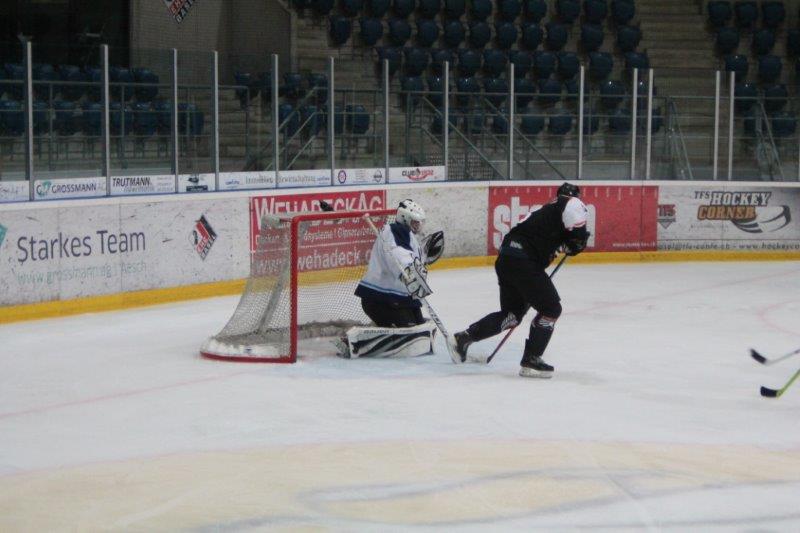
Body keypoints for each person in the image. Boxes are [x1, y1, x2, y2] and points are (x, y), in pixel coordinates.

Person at [450, 182, 589, 378]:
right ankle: (531, 360)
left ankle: (464, 338)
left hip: (507, 259)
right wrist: (578, 242)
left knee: (512, 314)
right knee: (551, 309)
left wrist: (570, 245)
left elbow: (554, 240)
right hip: (524, 262)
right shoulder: (572, 203)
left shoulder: (543, 212)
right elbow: (576, 238)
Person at [336, 199, 445, 359]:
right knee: (408, 330)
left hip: (398, 299)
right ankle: (350, 341)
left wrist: (423, 259)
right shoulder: (394, 231)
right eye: (415, 222)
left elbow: (410, 259)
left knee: (419, 327)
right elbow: (398, 256)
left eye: (419, 223)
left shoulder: (407, 235)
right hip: (380, 299)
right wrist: (409, 271)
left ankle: (377, 330)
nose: (418, 226)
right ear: (404, 219)